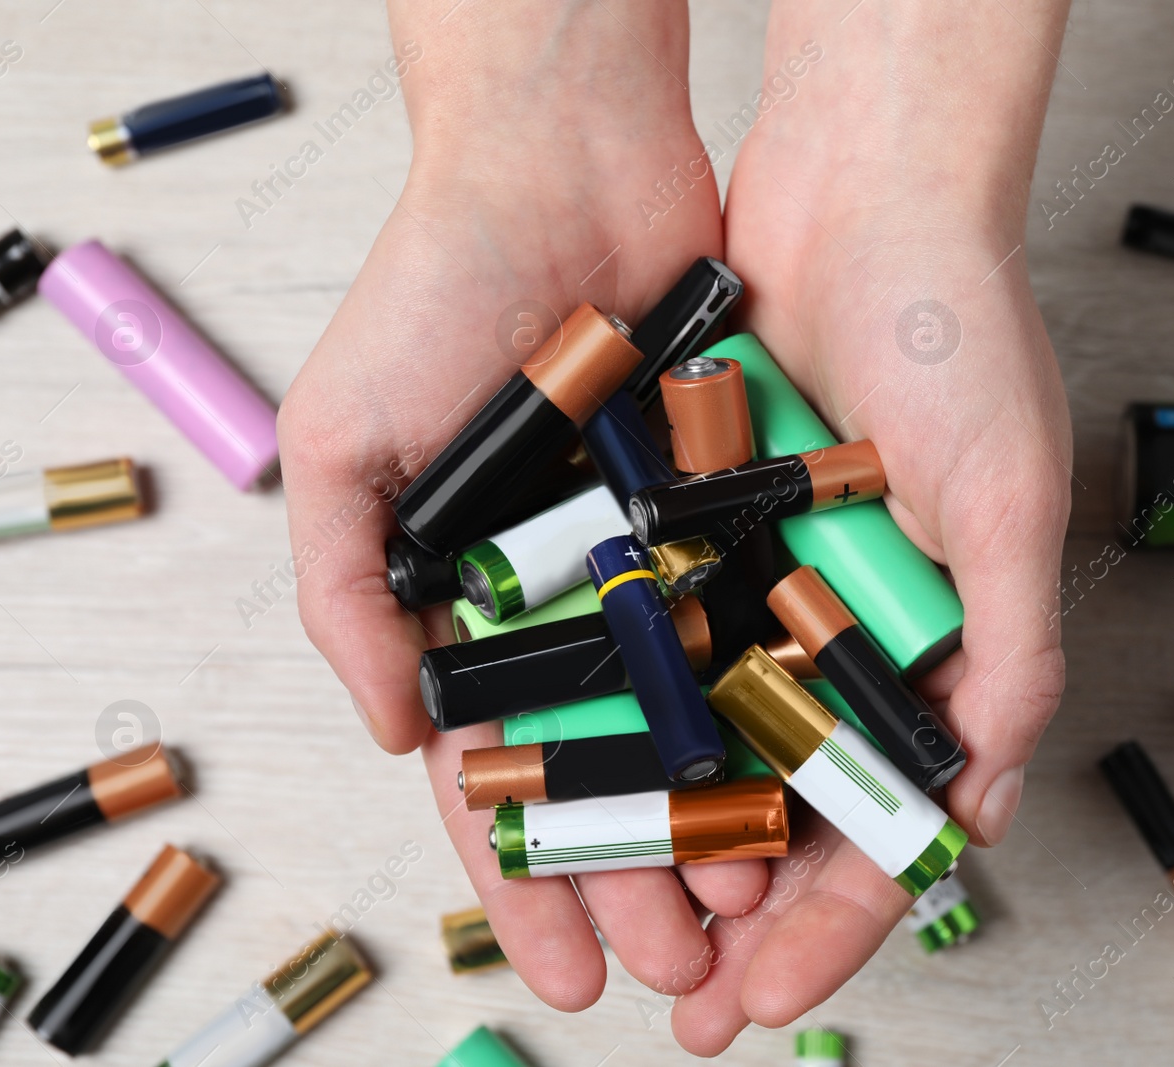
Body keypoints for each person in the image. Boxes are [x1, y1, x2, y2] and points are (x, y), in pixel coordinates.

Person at [277, 0, 1071, 1054]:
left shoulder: (679, 535)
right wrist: (524, 131)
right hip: (671, 584)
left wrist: (900, 165)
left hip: (686, 581)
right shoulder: (646, 546)